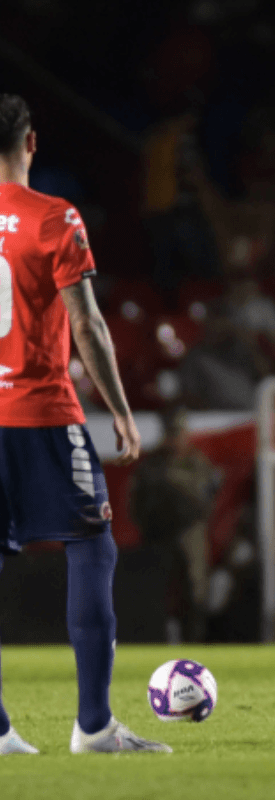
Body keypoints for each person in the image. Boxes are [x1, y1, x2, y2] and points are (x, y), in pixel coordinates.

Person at [0, 95, 170, 755]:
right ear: (32, 143)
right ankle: (93, 726)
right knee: (92, 549)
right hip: (41, 412)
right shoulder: (54, 217)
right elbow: (89, 322)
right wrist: (120, 407)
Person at [129, 406, 219, 643]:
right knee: (155, 589)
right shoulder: (152, 463)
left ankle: (196, 640)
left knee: (195, 589)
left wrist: (172, 479)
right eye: (171, 433)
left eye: (178, 433)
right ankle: (155, 638)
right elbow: (137, 499)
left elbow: (203, 498)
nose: (174, 439)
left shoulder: (197, 462)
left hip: (189, 530)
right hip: (158, 531)